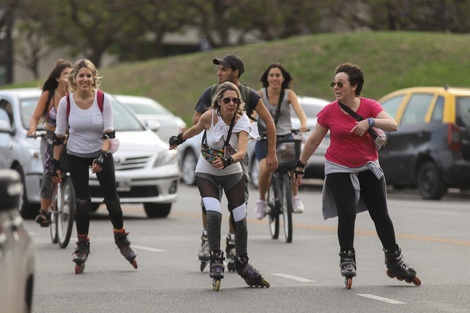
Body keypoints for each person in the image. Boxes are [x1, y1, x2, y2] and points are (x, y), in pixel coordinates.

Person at [294, 63, 420, 286]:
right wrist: (300, 166)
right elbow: (313, 139)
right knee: (347, 212)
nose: (336, 87)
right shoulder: (329, 111)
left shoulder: (369, 106)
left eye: (340, 83)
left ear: (354, 86)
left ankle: (394, 258)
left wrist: (370, 121)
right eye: (334, 83)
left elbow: (393, 125)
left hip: (367, 166)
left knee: (381, 214)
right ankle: (347, 257)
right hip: (339, 168)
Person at [170, 81, 269, 288]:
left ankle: (242, 261)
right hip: (207, 172)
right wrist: (179, 139)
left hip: (232, 172)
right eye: (227, 100)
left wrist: (227, 161)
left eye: (235, 100)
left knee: (240, 217)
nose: (231, 103)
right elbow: (196, 130)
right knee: (214, 213)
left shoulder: (243, 121)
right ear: (219, 103)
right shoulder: (210, 116)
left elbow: (241, 151)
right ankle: (216, 257)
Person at [193, 54, 278, 270]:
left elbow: (268, 122)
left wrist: (271, 153)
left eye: (223, 69)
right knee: (210, 203)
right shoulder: (212, 92)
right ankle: (207, 240)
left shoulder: (249, 94)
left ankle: (233, 241)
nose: (218, 73)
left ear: (236, 72)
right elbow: (196, 121)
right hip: (212, 156)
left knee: (239, 202)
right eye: (218, 69)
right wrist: (216, 116)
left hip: (237, 155)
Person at [52, 59, 137, 274]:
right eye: (81, 76)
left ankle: (121, 238)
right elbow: (59, 136)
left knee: (113, 202)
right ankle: (82, 246)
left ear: (94, 78)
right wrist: (55, 165)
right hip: (76, 154)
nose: (85, 80)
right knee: (82, 202)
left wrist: (100, 157)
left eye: (89, 76)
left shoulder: (102, 100)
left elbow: (109, 134)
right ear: (74, 79)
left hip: (102, 151)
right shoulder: (66, 103)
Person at [254, 63, 309, 219]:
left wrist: (304, 124)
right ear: (267, 78)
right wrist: (250, 127)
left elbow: (300, 113)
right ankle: (262, 201)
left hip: (285, 137)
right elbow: (252, 115)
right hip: (264, 139)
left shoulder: (289, 94)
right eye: (271, 75)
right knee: (265, 169)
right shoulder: (260, 95)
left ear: (283, 78)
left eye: (278, 75)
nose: (274, 78)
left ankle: (295, 197)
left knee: (293, 165)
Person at [27, 59, 72, 227]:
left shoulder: (76, 94)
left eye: (70, 74)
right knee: (49, 171)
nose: (68, 77)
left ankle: (75, 201)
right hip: (50, 137)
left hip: (70, 138)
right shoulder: (49, 94)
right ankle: (43, 212)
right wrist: (32, 129)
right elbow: (35, 117)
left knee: (76, 169)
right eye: (65, 74)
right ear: (58, 78)